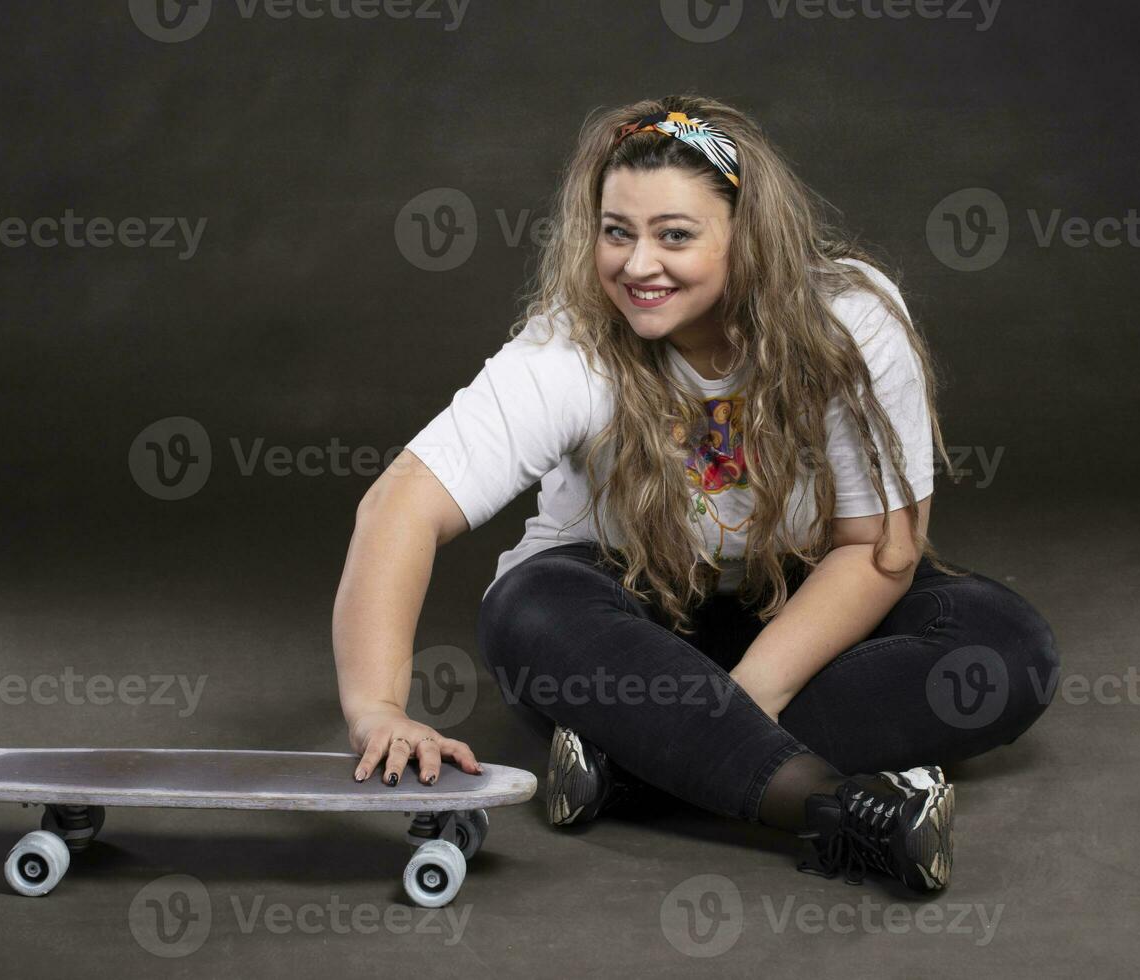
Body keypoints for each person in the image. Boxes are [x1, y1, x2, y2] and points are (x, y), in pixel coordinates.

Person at [332, 93, 1060, 894]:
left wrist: (731, 706)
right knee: (526, 611)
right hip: (628, 623)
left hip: (800, 611)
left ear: (747, 238)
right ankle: (840, 811)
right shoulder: (571, 346)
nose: (637, 265)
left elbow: (875, 549)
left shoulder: (850, 320)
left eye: (674, 235)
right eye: (618, 233)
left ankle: (630, 762)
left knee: (1004, 647)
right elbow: (399, 504)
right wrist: (377, 710)